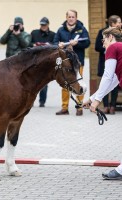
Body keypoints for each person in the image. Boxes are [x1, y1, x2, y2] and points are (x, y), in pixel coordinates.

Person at [83, 27, 122, 180]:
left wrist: (97, 100)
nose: (103, 43)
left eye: (103, 39)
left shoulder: (113, 47)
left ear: (110, 37)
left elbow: (107, 76)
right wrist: (93, 98)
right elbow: (113, 81)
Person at [53, 9, 90, 116]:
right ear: (66, 18)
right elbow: (55, 42)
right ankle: (64, 108)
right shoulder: (60, 30)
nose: (71, 18)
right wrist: (58, 45)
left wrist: (76, 44)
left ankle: (79, 107)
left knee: (79, 84)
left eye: (73, 17)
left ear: (76, 18)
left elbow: (87, 43)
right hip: (65, 63)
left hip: (78, 62)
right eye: (69, 17)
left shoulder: (82, 29)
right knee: (65, 84)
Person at [95, 15, 121, 114]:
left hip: (116, 62)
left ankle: (113, 106)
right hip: (104, 61)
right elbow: (97, 47)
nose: (120, 24)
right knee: (106, 82)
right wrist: (107, 49)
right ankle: (106, 106)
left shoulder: (119, 35)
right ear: (112, 23)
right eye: (119, 22)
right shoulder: (103, 32)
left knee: (113, 84)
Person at [31, 17, 55, 107]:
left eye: (44, 25)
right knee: (32, 82)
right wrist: (33, 45)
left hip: (46, 61)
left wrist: (50, 45)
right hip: (35, 60)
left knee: (44, 83)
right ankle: (31, 100)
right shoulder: (34, 33)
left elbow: (56, 45)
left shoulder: (53, 34)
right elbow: (28, 43)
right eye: (41, 25)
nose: (43, 26)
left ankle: (42, 102)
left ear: (48, 24)